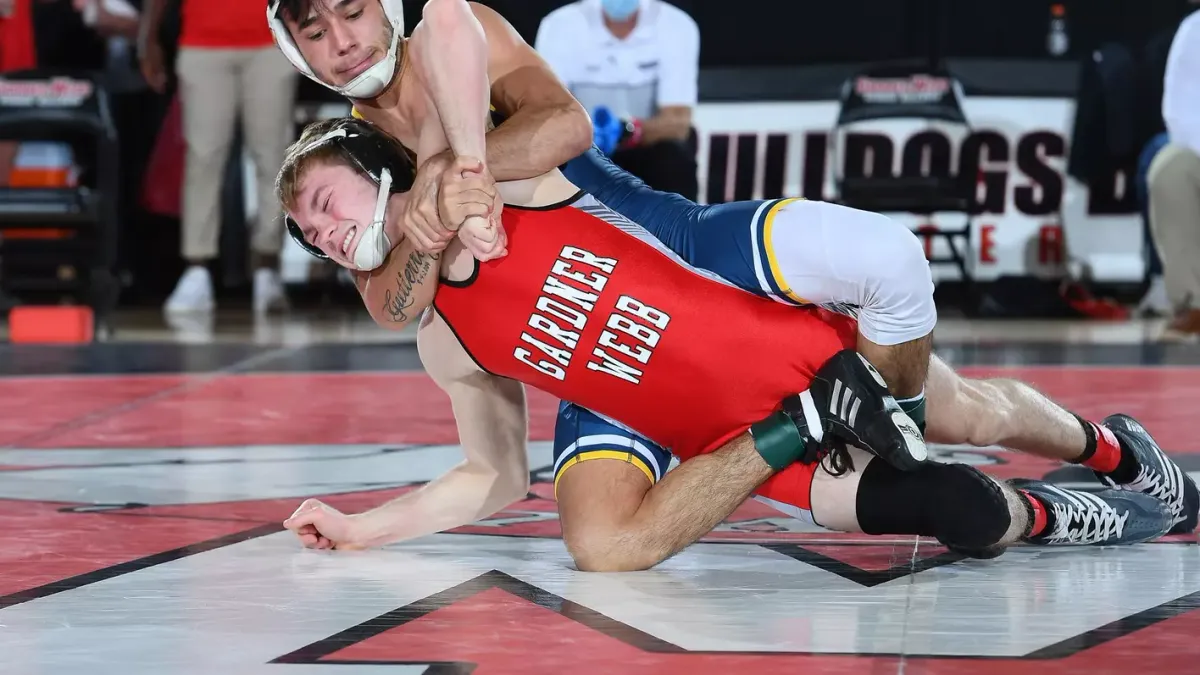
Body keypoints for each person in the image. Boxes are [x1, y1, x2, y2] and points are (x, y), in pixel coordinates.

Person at [274, 116, 1177, 571]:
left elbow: (496, 78)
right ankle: (1064, 514)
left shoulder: (508, 183)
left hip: (776, 338)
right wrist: (361, 528)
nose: (317, 232)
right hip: (740, 439)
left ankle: (1114, 449)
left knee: (967, 406)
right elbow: (490, 474)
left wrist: (449, 158)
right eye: (303, 231)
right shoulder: (441, 337)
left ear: (381, 165)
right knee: (964, 513)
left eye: (322, 202)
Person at [267, 0, 938, 484]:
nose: (342, 41)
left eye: (350, 13)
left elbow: (567, 127)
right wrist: (424, 206)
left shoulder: (460, 35)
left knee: (915, 318)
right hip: (600, 351)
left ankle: (920, 433)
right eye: (316, 32)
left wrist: (452, 174)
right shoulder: (354, 154)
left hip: (669, 248)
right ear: (297, 51)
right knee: (602, 548)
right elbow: (389, 303)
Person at [534, 0, 701, 200]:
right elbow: (547, 107)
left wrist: (627, 131)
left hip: (647, 150)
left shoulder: (675, 25)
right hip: (580, 149)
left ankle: (680, 226)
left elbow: (678, 122)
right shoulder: (559, 25)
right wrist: (585, 132)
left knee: (675, 158)